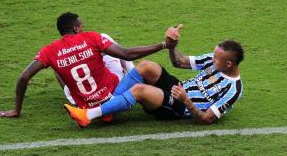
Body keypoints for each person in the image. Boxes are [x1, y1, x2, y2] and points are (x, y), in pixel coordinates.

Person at [0, 12, 177, 118]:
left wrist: (17, 109)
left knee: (58, 67)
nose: (83, 29)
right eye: (81, 26)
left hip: (82, 103)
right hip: (113, 95)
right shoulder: (90, 38)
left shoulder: (50, 50)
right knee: (111, 44)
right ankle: (131, 76)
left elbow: (24, 77)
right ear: (75, 28)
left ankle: (85, 105)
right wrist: (162, 45)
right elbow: (126, 53)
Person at [64, 25, 244, 127]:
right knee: (146, 66)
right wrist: (172, 45)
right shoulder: (214, 61)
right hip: (178, 88)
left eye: (216, 58)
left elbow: (205, 119)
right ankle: (108, 108)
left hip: (181, 107)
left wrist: (186, 100)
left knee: (139, 90)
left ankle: (88, 115)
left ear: (229, 64)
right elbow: (179, 62)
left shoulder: (233, 90)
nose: (212, 59)